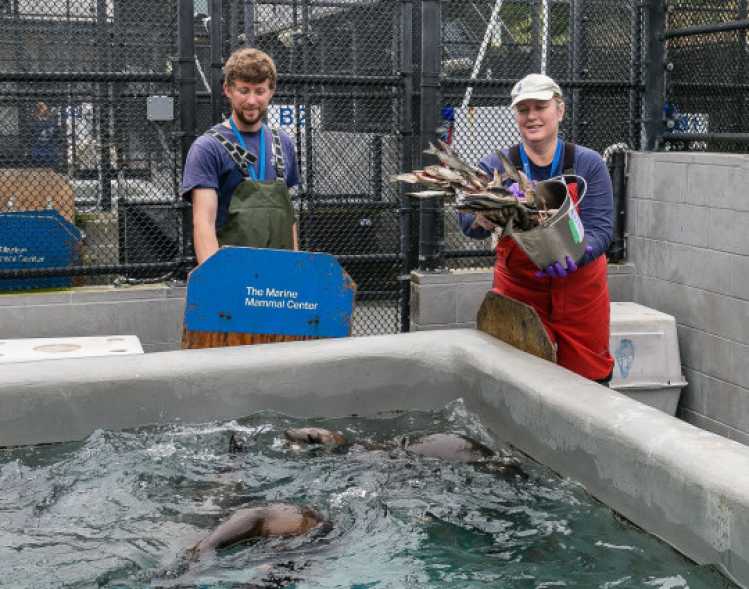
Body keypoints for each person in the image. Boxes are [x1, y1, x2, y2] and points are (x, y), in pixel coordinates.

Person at [459, 73, 615, 384]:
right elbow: (466, 223)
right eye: (523, 109)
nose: (532, 116)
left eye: (540, 106)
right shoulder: (494, 166)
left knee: (589, 378)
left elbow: (602, 229)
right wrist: (482, 218)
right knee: (517, 376)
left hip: (580, 289)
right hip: (519, 288)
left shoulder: (588, 163)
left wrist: (577, 256)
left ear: (559, 110)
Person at [180, 48, 300, 264]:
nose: (252, 101)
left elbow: (288, 219)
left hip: (278, 280)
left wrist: (295, 271)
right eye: (244, 91)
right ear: (228, 89)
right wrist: (216, 280)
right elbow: (203, 223)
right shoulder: (208, 147)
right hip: (233, 275)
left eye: (260, 91)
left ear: (272, 91)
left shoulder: (284, 143)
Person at [30, 101, 60, 168]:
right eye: (39, 109)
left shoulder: (50, 119)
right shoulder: (36, 120)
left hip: (49, 146)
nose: (41, 110)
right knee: (37, 164)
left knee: (50, 164)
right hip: (38, 146)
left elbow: (50, 118)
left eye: (42, 108)